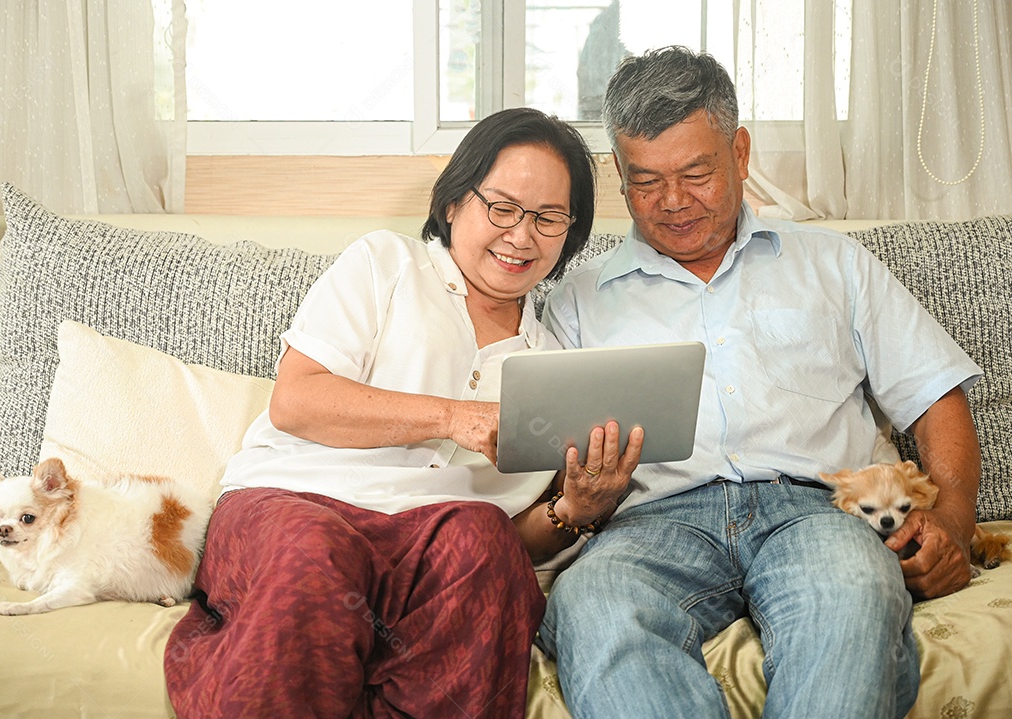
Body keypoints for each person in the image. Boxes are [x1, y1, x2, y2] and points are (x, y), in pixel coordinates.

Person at [537, 46, 983, 719]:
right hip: (651, 526)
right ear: (619, 176)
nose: (674, 202)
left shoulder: (835, 263)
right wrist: (583, 499)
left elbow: (934, 399)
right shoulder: (572, 299)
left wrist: (952, 520)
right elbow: (547, 472)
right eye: (647, 180)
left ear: (740, 153)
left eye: (696, 172)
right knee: (590, 602)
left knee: (855, 589)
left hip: (819, 511)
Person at [162, 107, 644, 719]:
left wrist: (573, 510)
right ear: (452, 202)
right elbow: (297, 400)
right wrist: (453, 416)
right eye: (502, 207)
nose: (522, 236)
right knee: (316, 552)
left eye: (549, 218)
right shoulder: (385, 264)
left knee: (486, 542)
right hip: (294, 504)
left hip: (425, 549)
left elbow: (512, 538)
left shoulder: (551, 364)